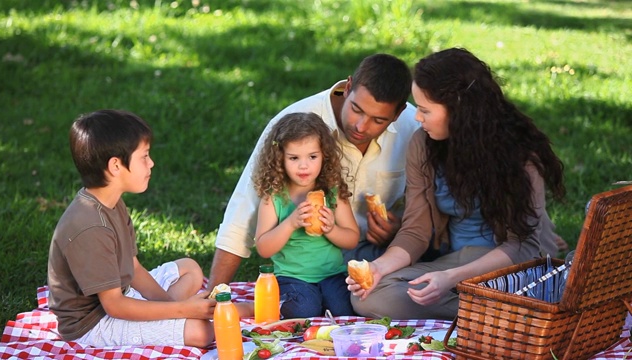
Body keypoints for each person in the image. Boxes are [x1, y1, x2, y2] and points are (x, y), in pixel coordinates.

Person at [348, 48, 566, 320]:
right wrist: (379, 267)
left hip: (512, 264)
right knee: (368, 295)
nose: (417, 117)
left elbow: (521, 245)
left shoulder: (518, 153)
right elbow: (416, 230)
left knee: (434, 289)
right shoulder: (423, 144)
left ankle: (506, 307)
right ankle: (507, 313)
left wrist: (450, 278)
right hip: (455, 259)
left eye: (425, 110)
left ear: (459, 107)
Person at [206, 53, 421, 296]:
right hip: (302, 260)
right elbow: (242, 213)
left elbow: (427, 213)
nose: (361, 126)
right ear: (348, 87)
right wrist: (215, 292)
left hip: (378, 255)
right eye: (356, 109)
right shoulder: (295, 124)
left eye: (378, 120)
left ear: (398, 112)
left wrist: (397, 229)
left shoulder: (413, 129)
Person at [47, 109, 252, 348]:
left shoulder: (111, 202)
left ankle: (173, 315)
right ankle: (235, 311)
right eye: (144, 156)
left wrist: (172, 309)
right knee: (203, 332)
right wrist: (182, 310)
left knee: (190, 269)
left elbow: (132, 268)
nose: (151, 163)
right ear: (115, 166)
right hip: (95, 323)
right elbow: (114, 305)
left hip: (120, 296)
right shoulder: (91, 226)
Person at [253, 112, 360, 317]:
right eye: (294, 158)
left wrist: (331, 229)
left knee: (344, 310)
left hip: (332, 275)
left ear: (324, 156)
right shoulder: (274, 196)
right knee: (304, 309)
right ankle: (278, 305)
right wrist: (290, 223)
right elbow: (264, 247)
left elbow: (352, 239)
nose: (304, 165)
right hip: (292, 277)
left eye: (312, 156)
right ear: (280, 159)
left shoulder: (333, 192)